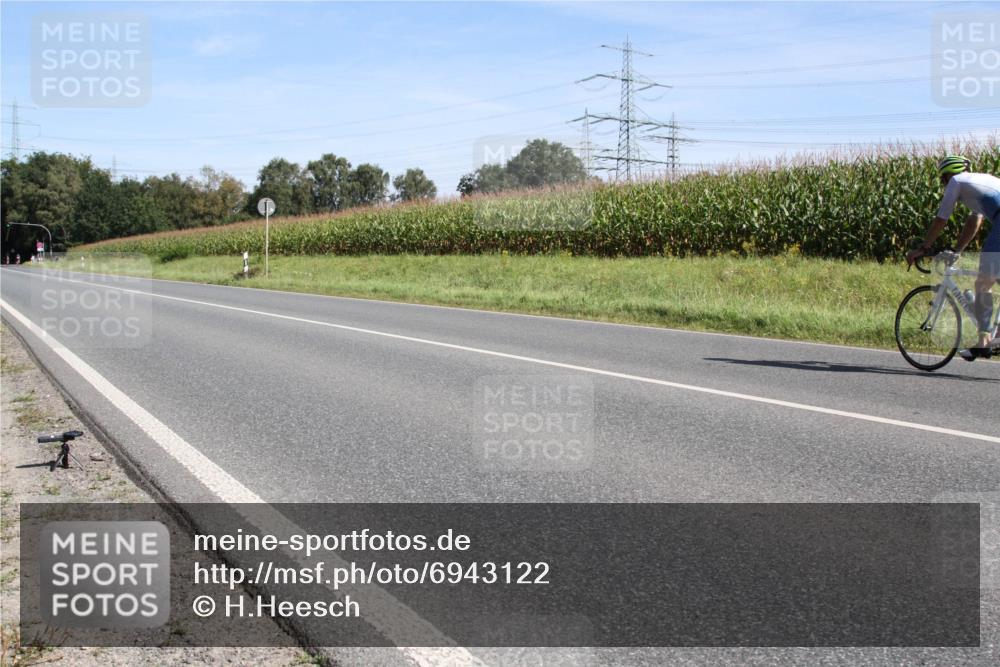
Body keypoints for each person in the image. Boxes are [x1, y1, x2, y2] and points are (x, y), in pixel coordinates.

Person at [906, 155, 1000, 361]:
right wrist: (957, 251)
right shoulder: (976, 183)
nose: (943, 183)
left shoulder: (957, 182)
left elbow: (941, 219)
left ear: (949, 174)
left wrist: (923, 247)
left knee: (983, 282)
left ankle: (984, 341)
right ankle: (995, 333)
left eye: (943, 179)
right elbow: (975, 221)